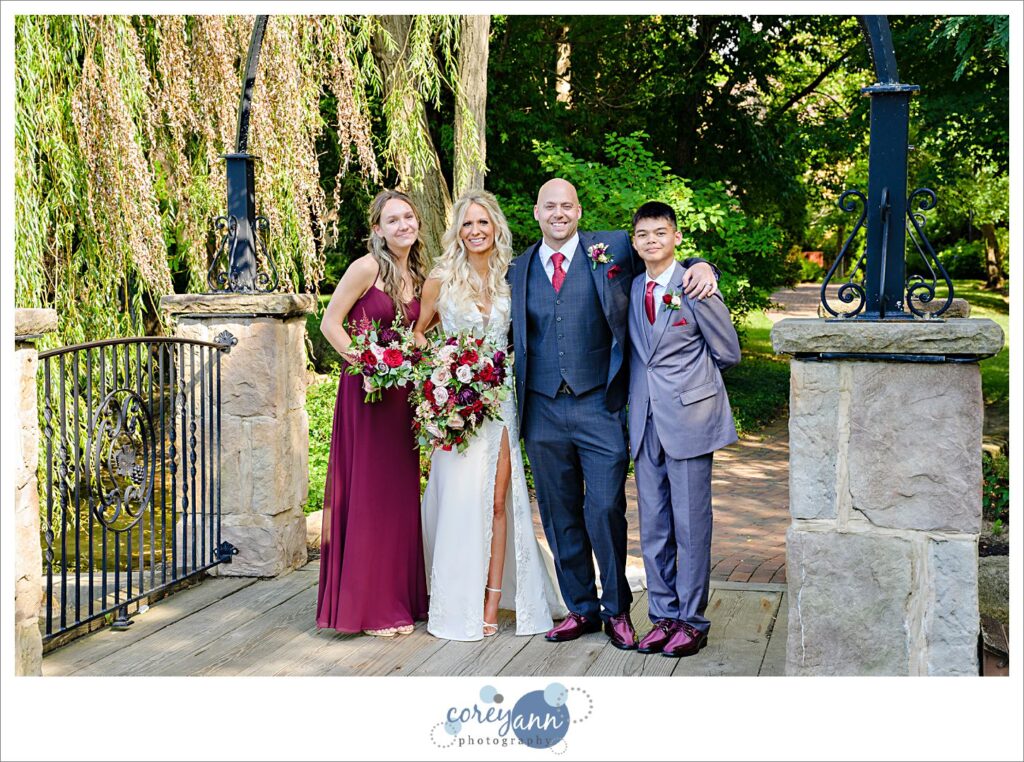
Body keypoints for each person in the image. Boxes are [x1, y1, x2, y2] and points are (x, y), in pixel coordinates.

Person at [507, 178, 719, 650]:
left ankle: (617, 609)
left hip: (600, 407)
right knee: (560, 514)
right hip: (541, 412)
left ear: (579, 211)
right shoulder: (518, 268)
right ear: (536, 212)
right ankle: (580, 608)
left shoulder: (614, 247)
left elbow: (664, 252)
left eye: (567, 205)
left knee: (604, 509)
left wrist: (705, 266)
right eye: (549, 206)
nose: (559, 213)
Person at [414, 190, 565, 641]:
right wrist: (442, 377)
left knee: (499, 503)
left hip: (499, 402)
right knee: (459, 504)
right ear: (457, 231)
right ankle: (453, 596)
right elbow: (420, 335)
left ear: (496, 226)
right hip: (457, 408)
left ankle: (490, 602)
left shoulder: (513, 277)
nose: (476, 231)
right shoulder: (441, 279)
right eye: (467, 224)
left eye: (483, 223)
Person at [626, 201, 740, 657]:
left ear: (676, 238)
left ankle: (692, 621)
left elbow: (728, 351)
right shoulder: (633, 287)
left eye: (660, 233)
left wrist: (693, 386)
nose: (652, 241)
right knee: (653, 526)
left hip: (689, 420)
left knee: (690, 526)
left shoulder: (696, 287)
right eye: (643, 235)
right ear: (634, 242)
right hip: (644, 421)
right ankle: (662, 616)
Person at [316, 190, 429, 637]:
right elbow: (330, 324)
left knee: (399, 497)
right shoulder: (366, 268)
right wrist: (369, 363)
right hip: (365, 396)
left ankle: (400, 597)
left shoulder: (418, 274)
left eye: (408, 217)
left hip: (401, 399)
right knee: (369, 494)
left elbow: (420, 334)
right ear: (378, 229)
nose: (403, 225)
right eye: (393, 219)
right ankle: (372, 607)